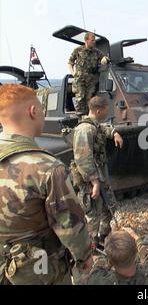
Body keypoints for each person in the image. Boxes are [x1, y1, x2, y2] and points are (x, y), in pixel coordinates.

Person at [0, 84, 93, 285]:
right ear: (33, 112)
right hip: (38, 271)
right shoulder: (47, 168)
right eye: (42, 109)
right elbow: (70, 226)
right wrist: (84, 257)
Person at [72, 96, 123, 248]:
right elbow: (82, 158)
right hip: (91, 178)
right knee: (93, 213)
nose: (108, 112)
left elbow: (103, 129)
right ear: (99, 110)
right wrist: (94, 182)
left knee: (108, 206)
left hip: (100, 174)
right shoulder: (85, 129)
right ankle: (91, 247)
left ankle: (104, 235)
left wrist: (114, 132)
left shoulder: (94, 125)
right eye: (107, 109)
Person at [73, 229, 148, 285]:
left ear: (111, 262)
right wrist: (138, 240)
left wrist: (101, 258)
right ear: (135, 253)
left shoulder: (97, 280)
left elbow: (98, 267)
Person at [68, 32, 109, 116]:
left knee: (90, 101)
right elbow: (70, 62)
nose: (94, 42)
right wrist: (73, 73)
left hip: (91, 81)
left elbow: (105, 57)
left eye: (94, 40)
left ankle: (88, 118)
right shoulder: (78, 50)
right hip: (80, 80)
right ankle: (81, 120)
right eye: (92, 40)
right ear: (86, 40)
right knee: (80, 99)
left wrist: (105, 59)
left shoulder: (96, 52)